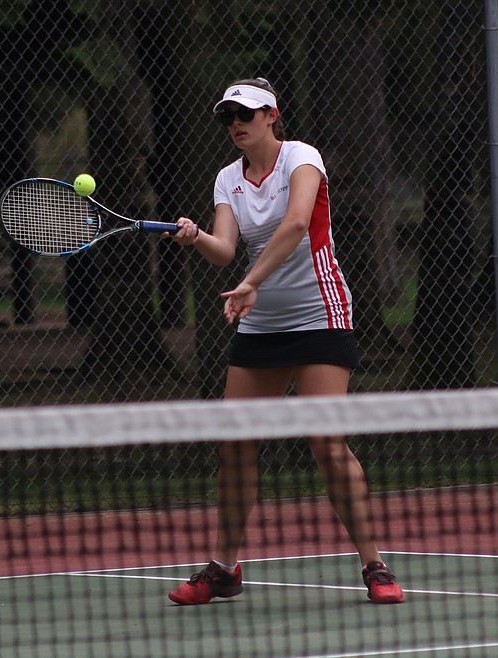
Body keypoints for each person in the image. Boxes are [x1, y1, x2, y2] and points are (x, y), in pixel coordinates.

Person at [164, 77, 405, 605]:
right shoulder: (228, 179)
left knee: (326, 443)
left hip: (320, 314)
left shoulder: (302, 157)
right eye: (228, 117)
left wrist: (251, 282)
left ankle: (375, 564)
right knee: (235, 445)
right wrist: (196, 236)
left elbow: (296, 224)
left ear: (271, 115)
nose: (236, 124)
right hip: (261, 324)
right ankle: (224, 569)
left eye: (246, 114)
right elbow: (226, 250)